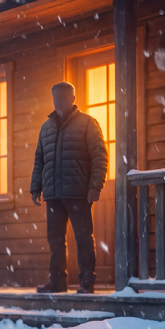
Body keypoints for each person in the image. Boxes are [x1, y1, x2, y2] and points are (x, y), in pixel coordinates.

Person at [30, 81, 109, 294]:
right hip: (53, 194)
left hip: (78, 193)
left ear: (73, 99)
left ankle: (86, 283)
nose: (59, 102)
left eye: (64, 98)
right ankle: (57, 282)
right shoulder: (46, 128)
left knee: (83, 238)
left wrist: (95, 186)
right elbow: (40, 159)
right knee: (55, 240)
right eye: (56, 98)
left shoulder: (87, 123)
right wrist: (35, 187)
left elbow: (100, 155)